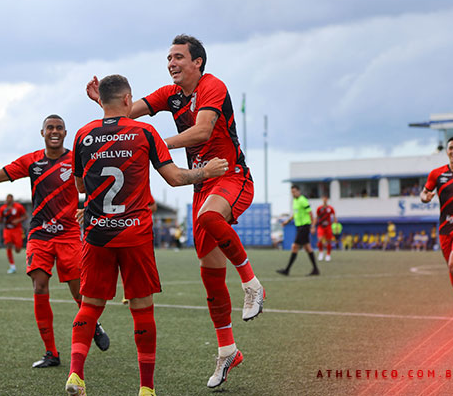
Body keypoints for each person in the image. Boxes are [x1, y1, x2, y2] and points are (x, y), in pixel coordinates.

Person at [86, 35, 265, 389]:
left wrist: (153, 142)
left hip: (229, 175)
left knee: (208, 218)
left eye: (178, 57)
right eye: (168, 58)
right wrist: (103, 105)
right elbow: (125, 113)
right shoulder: (170, 94)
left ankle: (252, 284)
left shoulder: (212, 86)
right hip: (202, 185)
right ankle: (227, 350)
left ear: (198, 62)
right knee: (210, 275)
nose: (171, 63)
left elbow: (202, 130)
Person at [66, 74, 228, 396]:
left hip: (98, 234)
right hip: (134, 235)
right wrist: (205, 172)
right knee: (142, 309)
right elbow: (175, 178)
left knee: (89, 306)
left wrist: (93, 205)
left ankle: (75, 375)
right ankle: (146, 389)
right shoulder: (144, 131)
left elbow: (81, 185)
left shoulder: (83, 135)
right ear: (128, 100)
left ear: (103, 101)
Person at [0, 115, 110, 369]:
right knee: (39, 287)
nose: (54, 131)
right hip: (40, 235)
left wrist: (91, 209)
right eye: (50, 127)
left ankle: (92, 323)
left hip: (69, 235)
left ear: (65, 132)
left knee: (77, 291)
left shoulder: (76, 159)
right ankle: (51, 353)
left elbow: (97, 187)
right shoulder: (31, 161)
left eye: (59, 127)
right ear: (42, 133)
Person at [421, 136, 453, 325]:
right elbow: (424, 192)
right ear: (447, 151)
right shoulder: (436, 174)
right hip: (445, 228)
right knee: (452, 270)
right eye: (451, 148)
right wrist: (425, 197)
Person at [277, 185, 320, 276]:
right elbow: (295, 214)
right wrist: (287, 221)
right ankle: (315, 269)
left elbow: (310, 213)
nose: (293, 193)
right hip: (299, 227)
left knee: (294, 247)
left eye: (294, 191)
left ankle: (287, 270)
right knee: (308, 248)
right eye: (292, 192)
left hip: (304, 226)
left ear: (299, 191)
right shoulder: (295, 201)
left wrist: (312, 226)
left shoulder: (302, 200)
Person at [0, 194, 27, 274]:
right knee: (8, 245)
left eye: (10, 198)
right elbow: (0, 219)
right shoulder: (3, 208)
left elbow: (25, 216)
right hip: (7, 230)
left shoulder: (18, 207)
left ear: (12, 199)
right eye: (7, 199)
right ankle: (12, 266)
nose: (8, 200)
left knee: (18, 250)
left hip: (17, 230)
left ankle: (15, 244)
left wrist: (18, 220)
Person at [314, 195, 336, 261]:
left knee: (329, 241)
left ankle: (328, 254)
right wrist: (313, 225)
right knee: (320, 239)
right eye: (323, 198)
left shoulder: (330, 208)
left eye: (326, 198)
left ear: (327, 199)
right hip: (321, 226)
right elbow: (316, 217)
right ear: (322, 199)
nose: (325, 200)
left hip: (328, 226)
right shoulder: (319, 208)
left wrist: (335, 223)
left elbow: (334, 216)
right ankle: (321, 253)